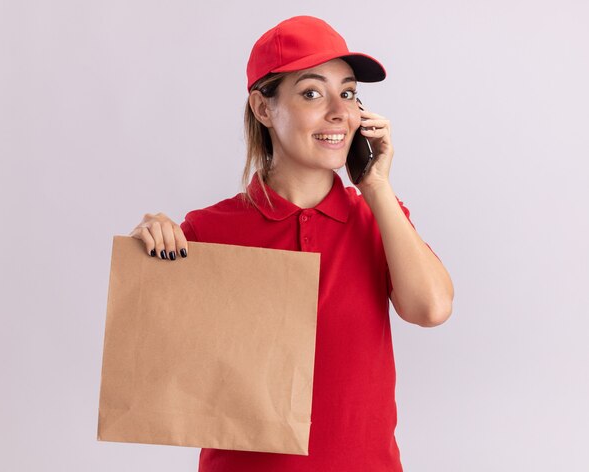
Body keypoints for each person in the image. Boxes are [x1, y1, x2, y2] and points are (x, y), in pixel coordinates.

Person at [129, 15, 453, 472]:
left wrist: (376, 187)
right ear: (264, 109)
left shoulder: (377, 218)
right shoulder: (209, 231)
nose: (340, 111)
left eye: (349, 92)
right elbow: (158, 366)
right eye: (311, 93)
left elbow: (432, 309)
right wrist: (151, 250)